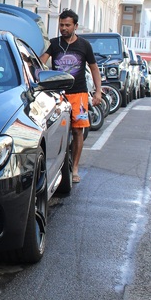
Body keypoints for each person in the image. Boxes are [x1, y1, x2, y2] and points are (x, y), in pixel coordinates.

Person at [40, 9, 102, 183]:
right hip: (58, 95)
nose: (64, 28)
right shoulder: (54, 44)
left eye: (67, 25)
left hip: (79, 95)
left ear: (75, 26)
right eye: (61, 25)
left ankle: (75, 168)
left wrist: (98, 91)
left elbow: (94, 68)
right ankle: (55, 164)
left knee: (77, 130)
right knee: (55, 129)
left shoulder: (84, 45)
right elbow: (40, 63)